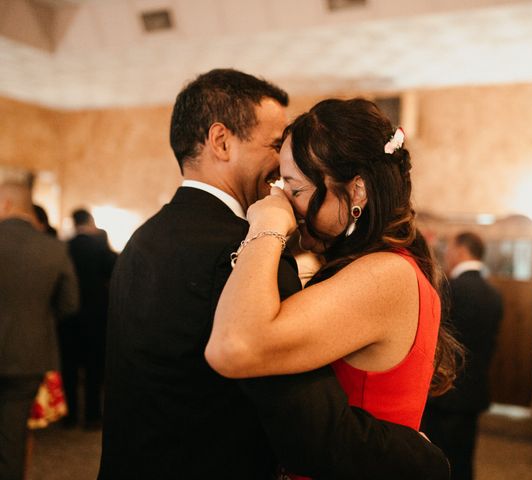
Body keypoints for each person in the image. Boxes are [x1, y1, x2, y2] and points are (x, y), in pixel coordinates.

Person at [98, 69, 450, 479]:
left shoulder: (144, 238)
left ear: (356, 192)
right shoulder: (248, 250)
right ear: (221, 141)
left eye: (295, 188)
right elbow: (312, 434)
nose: (281, 191)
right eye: (273, 146)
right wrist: (424, 459)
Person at [206, 98, 461, 477]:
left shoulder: (385, 275)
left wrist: (266, 225)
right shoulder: (388, 267)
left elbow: (233, 347)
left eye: (294, 189)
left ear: (357, 192)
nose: (286, 204)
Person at [0, 180, 79, 480]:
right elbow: (70, 303)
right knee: (13, 439)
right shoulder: (54, 248)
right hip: (28, 357)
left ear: (5, 204)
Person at [421, 231, 503, 480]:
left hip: (444, 393)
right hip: (475, 390)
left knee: (439, 461)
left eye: (448, 249)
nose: (446, 255)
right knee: (464, 460)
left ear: (460, 251)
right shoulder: (494, 295)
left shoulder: (450, 289)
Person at [59, 208, 116, 428]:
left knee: (69, 367)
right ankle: (92, 416)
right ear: (90, 221)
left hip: (69, 317)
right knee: (94, 367)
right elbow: (115, 270)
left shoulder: (65, 247)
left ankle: (70, 415)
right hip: (96, 316)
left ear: (73, 223)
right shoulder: (100, 247)